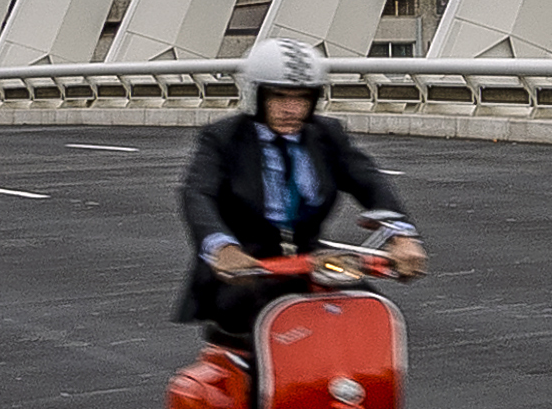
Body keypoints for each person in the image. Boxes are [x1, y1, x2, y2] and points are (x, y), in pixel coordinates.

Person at [174, 38, 423, 364]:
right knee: (269, 347)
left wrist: (402, 236)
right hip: (244, 271)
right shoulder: (223, 139)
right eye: (279, 96)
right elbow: (197, 194)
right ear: (257, 95)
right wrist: (223, 248)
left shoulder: (327, 135)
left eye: (302, 98)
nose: (291, 108)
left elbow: (368, 180)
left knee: (368, 316)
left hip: (310, 264)